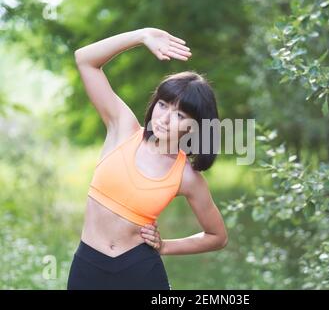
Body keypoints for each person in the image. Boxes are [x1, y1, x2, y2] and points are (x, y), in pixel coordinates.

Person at [67, 27, 228, 290]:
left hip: (140, 272)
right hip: (88, 267)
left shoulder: (186, 176)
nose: (164, 118)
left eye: (179, 115)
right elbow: (85, 60)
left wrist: (165, 246)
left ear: (194, 127)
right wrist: (141, 36)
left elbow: (217, 236)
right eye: (163, 105)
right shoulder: (123, 129)